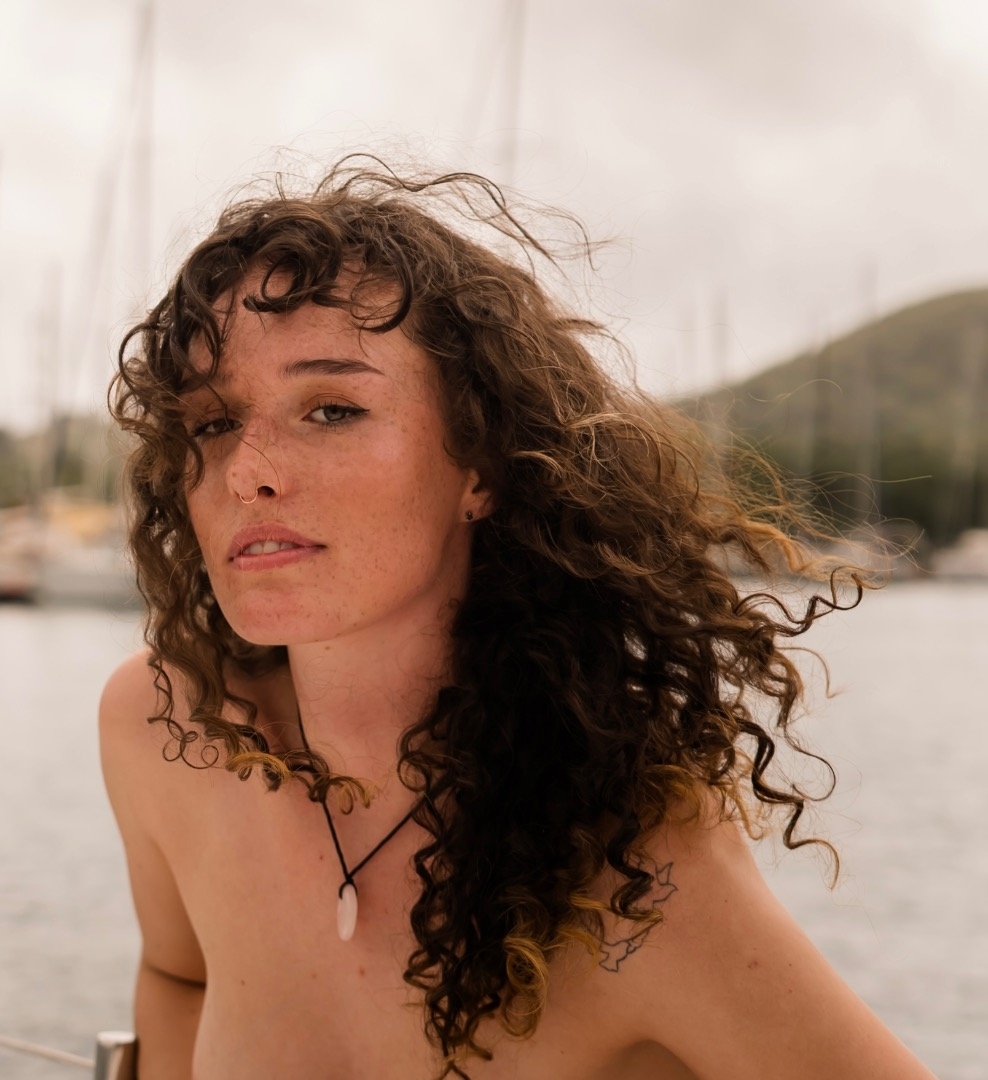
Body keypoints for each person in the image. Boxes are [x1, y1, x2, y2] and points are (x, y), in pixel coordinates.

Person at [101, 158, 936, 1080]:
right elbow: (177, 975)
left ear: (482, 469)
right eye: (212, 423)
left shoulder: (628, 868)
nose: (246, 471)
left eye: (332, 409)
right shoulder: (166, 728)